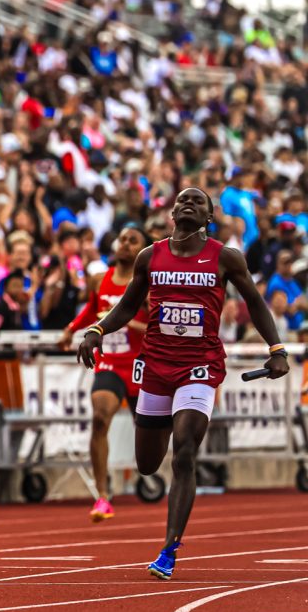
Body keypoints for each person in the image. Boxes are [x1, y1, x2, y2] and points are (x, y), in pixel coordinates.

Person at [77, 189, 289, 580]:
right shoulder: (150, 256)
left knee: (185, 450)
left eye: (198, 201)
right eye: (183, 200)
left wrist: (276, 348)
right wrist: (97, 329)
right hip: (156, 366)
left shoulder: (226, 257)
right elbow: (126, 304)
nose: (189, 203)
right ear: (173, 213)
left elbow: (256, 302)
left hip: (200, 365)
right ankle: (167, 523)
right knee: (147, 464)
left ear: (209, 216)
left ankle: (170, 547)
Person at [60, 224, 149, 522]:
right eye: (122, 239)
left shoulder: (148, 283)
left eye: (132, 241)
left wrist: (123, 322)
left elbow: (156, 326)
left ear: (143, 250)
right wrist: (71, 330)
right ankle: (102, 496)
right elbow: (90, 310)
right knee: (99, 418)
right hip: (110, 362)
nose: (124, 244)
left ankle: (152, 476)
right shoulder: (101, 280)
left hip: (140, 365)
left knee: (149, 433)